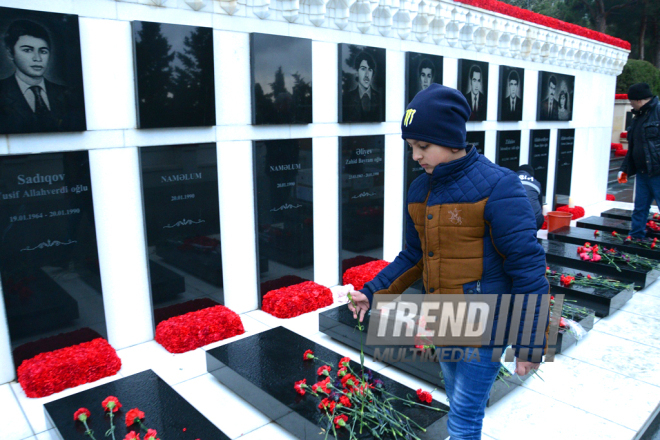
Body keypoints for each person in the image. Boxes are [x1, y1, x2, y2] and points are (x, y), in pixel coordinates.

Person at [349, 83, 549, 440]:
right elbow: (413, 254)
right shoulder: (419, 189)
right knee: (455, 399)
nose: (416, 156)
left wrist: (530, 344)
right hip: (444, 316)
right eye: (411, 147)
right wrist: (373, 291)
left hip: (485, 323)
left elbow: (529, 271)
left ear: (452, 139)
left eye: (423, 146)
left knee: (464, 418)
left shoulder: (499, 186)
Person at [0, 19, 84, 135]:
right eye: (27, 50)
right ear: (10, 53)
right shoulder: (2, 92)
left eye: (43, 51)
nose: (37, 58)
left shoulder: (68, 94)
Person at [618, 83, 660, 238]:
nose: (630, 104)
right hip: (643, 173)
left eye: (631, 101)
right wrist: (624, 169)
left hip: (658, 172)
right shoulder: (638, 118)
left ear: (638, 100)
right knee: (640, 207)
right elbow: (634, 148)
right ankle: (636, 237)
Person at [342, 51, 382, 122]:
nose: (367, 75)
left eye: (370, 70)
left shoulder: (380, 98)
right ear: (357, 72)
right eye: (363, 69)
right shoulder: (346, 98)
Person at [518, 164, 544, 230]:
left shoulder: (510, 179)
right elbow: (540, 204)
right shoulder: (536, 183)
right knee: (540, 216)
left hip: (514, 220)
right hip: (534, 220)